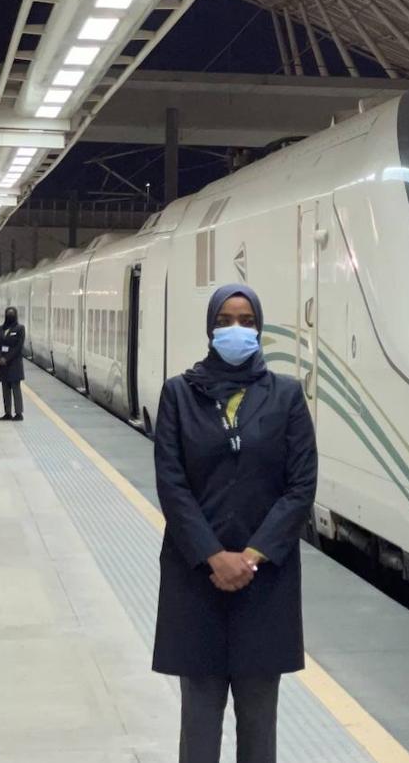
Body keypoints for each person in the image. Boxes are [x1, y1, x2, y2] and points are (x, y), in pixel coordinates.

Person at [152, 283, 318, 763]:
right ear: (210, 328)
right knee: (199, 724)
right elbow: (172, 484)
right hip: (196, 580)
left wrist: (252, 556)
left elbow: (301, 485)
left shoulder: (286, 396)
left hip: (264, 583)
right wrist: (213, 556)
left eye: (246, 321)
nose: (236, 330)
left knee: (259, 724)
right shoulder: (179, 394)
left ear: (260, 327)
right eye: (224, 321)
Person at [0, 306, 25, 421]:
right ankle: (7, 413)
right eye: (8, 313)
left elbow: (18, 347)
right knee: (5, 389)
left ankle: (18, 413)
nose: (10, 315)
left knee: (16, 388)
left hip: (14, 364)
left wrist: (6, 358)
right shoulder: (0, 329)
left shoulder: (20, 329)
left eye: (12, 314)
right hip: (3, 365)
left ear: (15, 315)